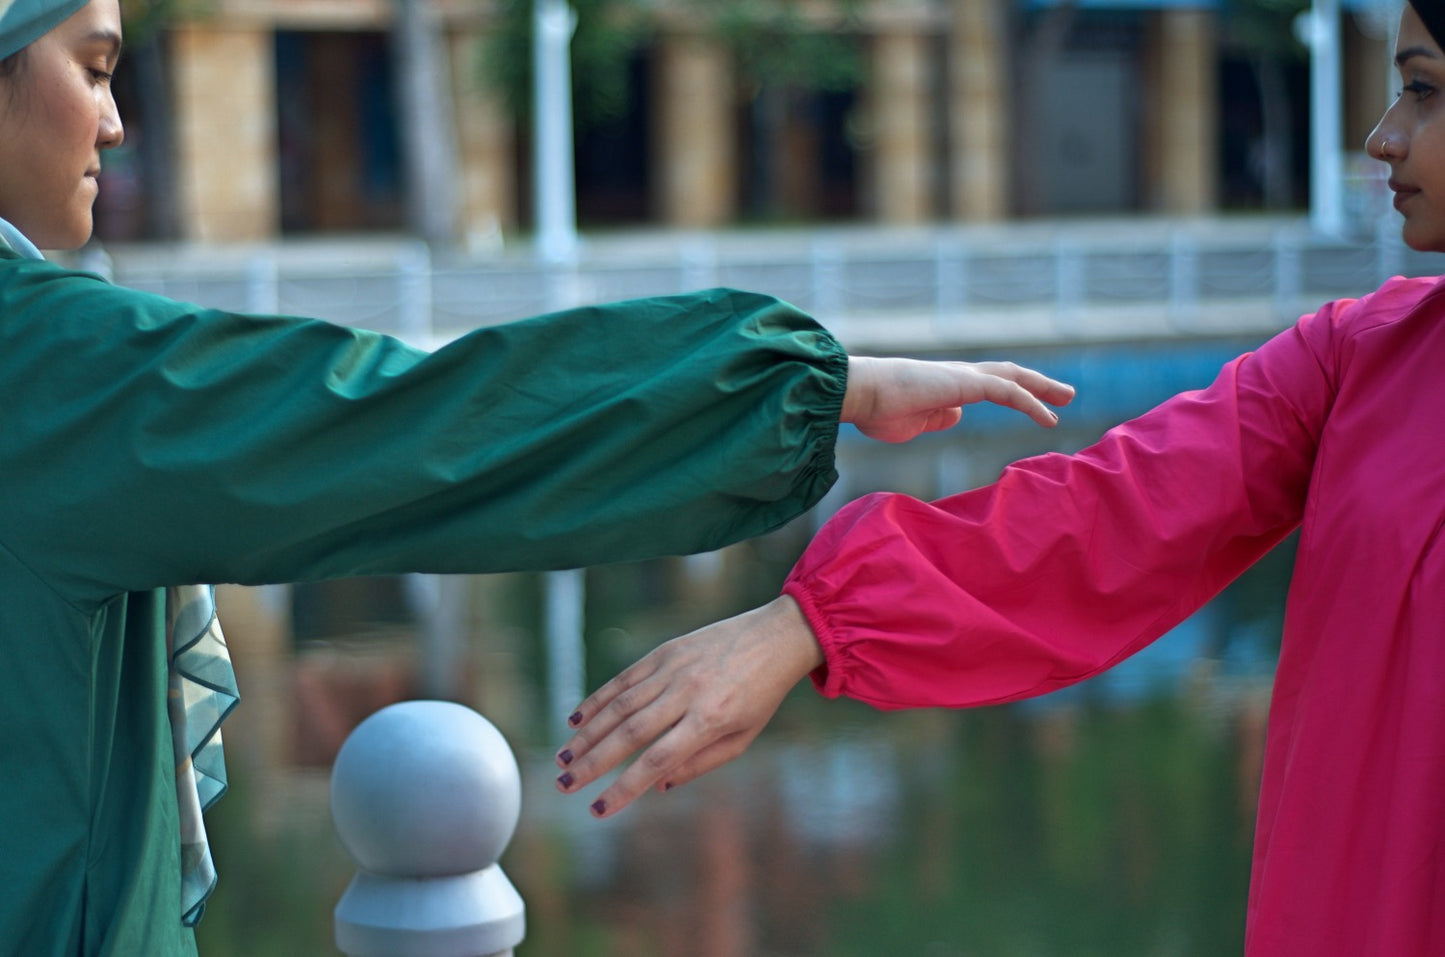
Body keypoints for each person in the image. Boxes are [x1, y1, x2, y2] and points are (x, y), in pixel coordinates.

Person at [0, 1, 1077, 954]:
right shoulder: (49, 373)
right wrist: (805, 386)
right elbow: (420, 427)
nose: (114, 121)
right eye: (94, 68)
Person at [555, 2, 1445, 955]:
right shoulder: (1359, 357)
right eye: (1400, 87)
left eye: (1425, 90)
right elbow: (1109, 515)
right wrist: (804, 625)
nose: (1383, 135)